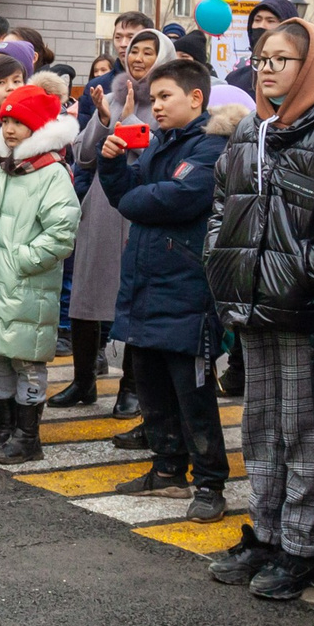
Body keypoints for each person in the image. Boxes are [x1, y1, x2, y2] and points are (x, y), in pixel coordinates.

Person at [203, 18, 314, 599]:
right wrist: (219, 259)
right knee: (259, 425)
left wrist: (308, 269)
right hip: (250, 299)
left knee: (303, 430)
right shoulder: (252, 128)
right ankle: (268, 532)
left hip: (301, 305)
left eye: (282, 58)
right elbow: (223, 203)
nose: (268, 67)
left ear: (313, 67)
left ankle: (302, 546)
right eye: (263, 57)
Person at [94, 56, 235, 512]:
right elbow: (129, 195)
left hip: (187, 289)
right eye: (153, 98)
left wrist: (135, 198)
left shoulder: (210, 147)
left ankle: (211, 483)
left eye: (164, 97)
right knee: (152, 386)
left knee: (192, 394)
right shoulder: (160, 145)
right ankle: (168, 470)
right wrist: (112, 163)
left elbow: (178, 198)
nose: (155, 106)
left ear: (196, 98)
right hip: (148, 282)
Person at [0, 84, 83, 465]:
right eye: (6, 120)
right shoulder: (4, 169)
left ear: (39, 128)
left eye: (20, 122)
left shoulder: (50, 173)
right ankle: (6, 429)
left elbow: (62, 232)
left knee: (26, 362)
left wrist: (21, 260)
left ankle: (28, 436)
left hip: (25, 285)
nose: (9, 129)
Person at [57, 29, 173, 417]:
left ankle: (131, 386)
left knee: (135, 300)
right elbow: (84, 156)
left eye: (147, 52)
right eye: (133, 51)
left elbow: (159, 159)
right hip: (103, 207)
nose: (137, 58)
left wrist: (129, 130)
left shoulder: (167, 103)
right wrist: (105, 120)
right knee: (86, 295)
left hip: (142, 207)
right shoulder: (111, 96)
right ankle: (82, 381)